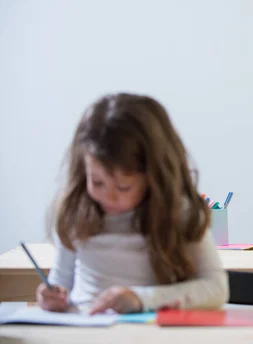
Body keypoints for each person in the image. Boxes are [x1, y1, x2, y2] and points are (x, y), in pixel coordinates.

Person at [37, 93, 228, 314]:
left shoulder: (178, 213)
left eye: (123, 187)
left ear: (152, 177)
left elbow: (216, 288)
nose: (109, 197)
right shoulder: (75, 209)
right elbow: (62, 284)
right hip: (84, 331)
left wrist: (141, 298)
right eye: (97, 182)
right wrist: (51, 298)